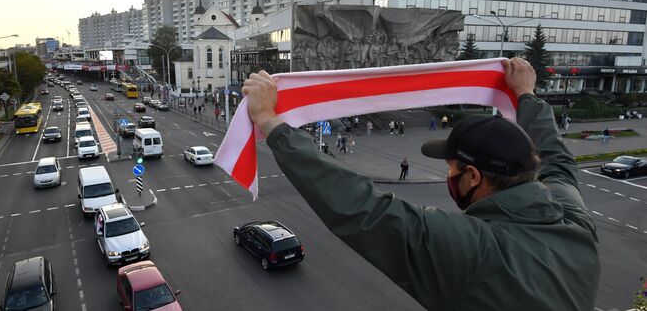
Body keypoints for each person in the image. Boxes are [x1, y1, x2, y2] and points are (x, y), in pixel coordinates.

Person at [241, 58, 600, 310]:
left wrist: (270, 121)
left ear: (473, 177)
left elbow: (363, 209)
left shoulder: (473, 250)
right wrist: (526, 95)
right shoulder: (573, 216)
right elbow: (557, 157)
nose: (448, 177)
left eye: (451, 167)